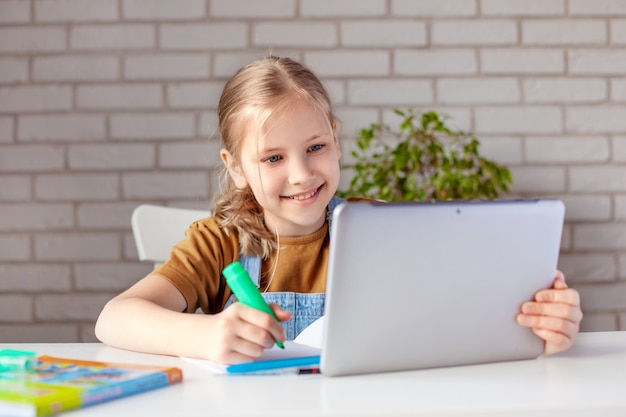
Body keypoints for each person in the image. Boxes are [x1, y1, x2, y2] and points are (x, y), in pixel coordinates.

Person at [95, 56, 583, 364]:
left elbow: (459, 320)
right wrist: (205, 336)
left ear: (336, 137)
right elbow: (114, 319)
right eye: (272, 158)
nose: (302, 174)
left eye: (315, 147)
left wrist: (543, 329)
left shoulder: (378, 229)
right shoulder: (218, 241)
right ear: (237, 167)